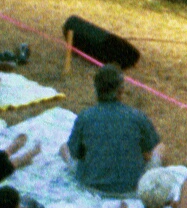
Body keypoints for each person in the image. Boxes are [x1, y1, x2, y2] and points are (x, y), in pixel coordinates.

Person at [66, 62, 162, 199]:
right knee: (160, 148)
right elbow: (149, 151)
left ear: (96, 89)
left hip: (90, 187)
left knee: (64, 148)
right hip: (131, 189)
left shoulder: (85, 117)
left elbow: (75, 153)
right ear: (121, 90)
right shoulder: (136, 116)